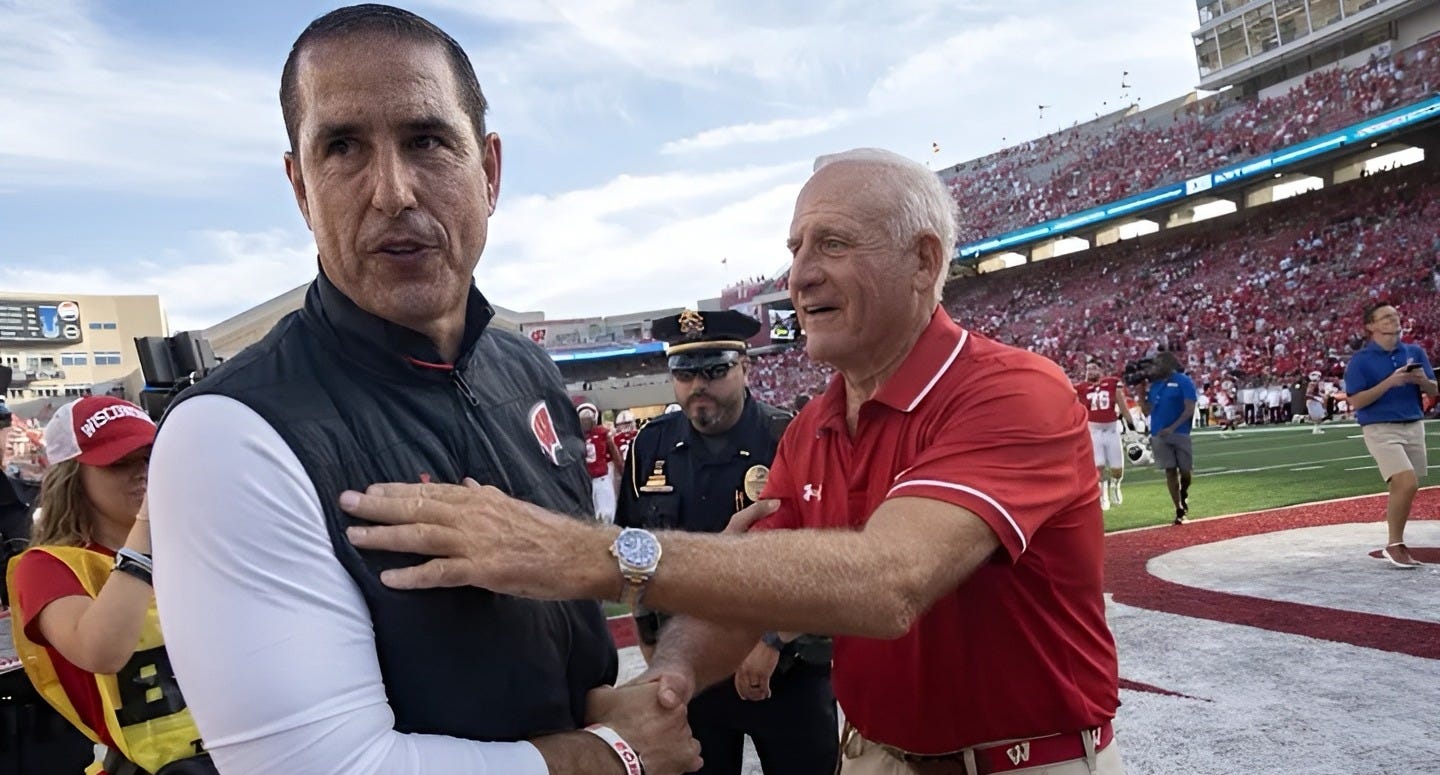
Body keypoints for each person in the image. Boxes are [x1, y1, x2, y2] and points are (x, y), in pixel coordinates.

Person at [345, 148, 1124, 774]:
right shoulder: (818, 421)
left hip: (1023, 761)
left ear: (924, 261)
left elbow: (890, 584)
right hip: (874, 756)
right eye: (795, 248)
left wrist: (592, 554)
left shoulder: (1011, 391)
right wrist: (669, 679)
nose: (799, 274)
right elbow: (747, 583)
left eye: (834, 243)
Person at [145, 6, 698, 775]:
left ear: (490, 171)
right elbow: (325, 768)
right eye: (342, 147)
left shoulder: (525, 370)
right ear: (300, 187)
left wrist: (601, 700)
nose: (392, 191)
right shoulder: (230, 434)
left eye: (427, 140)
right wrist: (613, 755)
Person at [618, 309, 837, 775]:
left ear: (745, 367)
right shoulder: (649, 448)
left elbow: (825, 554)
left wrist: (773, 640)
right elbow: (633, 553)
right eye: (685, 372)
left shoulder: (789, 437)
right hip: (694, 678)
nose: (699, 384)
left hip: (786, 672)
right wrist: (652, 646)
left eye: (716, 369)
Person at [6, 396, 215, 775]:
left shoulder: (198, 542)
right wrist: (149, 525)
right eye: (120, 463)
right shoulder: (47, 567)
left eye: (150, 457)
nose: (143, 473)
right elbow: (100, 651)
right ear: (73, 478)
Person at [1343, 302, 1438, 569]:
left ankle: (1396, 541)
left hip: (1413, 423)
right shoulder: (1361, 361)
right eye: (1385, 317)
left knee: (1408, 484)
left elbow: (1433, 390)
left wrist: (1421, 380)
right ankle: (1395, 544)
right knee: (1406, 482)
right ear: (1370, 326)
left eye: (1394, 315)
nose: (1392, 320)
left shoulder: (1414, 351)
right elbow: (1357, 401)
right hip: (1380, 426)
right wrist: (1389, 383)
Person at [1137, 351, 1197, 525]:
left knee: (1185, 471)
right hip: (1158, 434)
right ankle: (1178, 508)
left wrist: (1172, 427)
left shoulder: (1183, 381)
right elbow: (1148, 411)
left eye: (1157, 364)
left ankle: (1184, 492)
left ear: (1167, 365)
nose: (1154, 368)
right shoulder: (1155, 386)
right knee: (1170, 471)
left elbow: (1189, 409)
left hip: (1180, 433)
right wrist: (1141, 394)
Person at [1074, 361, 1133, 510]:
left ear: (1101, 370)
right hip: (1093, 431)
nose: (1090, 371)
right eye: (1088, 368)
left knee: (1117, 469)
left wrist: (1131, 424)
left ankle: (1115, 485)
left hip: (1112, 430)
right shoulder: (1081, 388)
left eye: (1094, 368)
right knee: (1098, 465)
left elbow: (1122, 405)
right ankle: (1103, 495)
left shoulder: (1112, 383)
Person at [579, 402, 623, 523]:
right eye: (583, 420)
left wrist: (622, 471)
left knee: (606, 513)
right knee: (589, 514)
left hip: (601, 478)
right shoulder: (577, 436)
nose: (586, 423)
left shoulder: (602, 433)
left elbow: (615, 453)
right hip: (585, 481)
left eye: (588, 419)